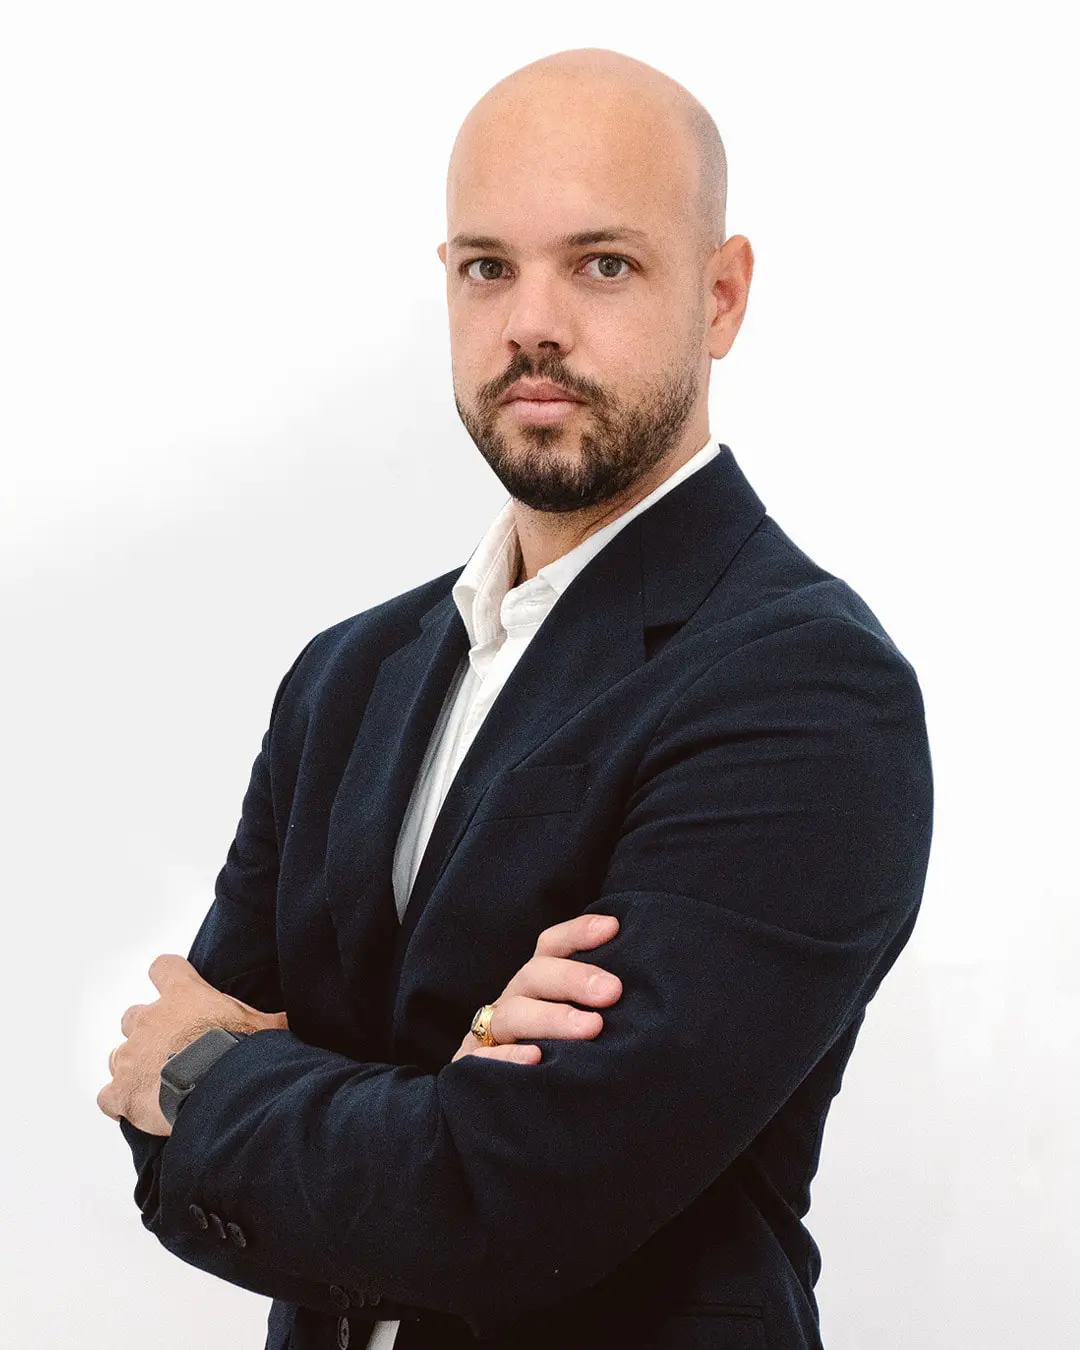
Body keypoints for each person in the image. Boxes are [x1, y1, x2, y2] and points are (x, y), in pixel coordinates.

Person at [97, 46, 934, 1350]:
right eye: (489, 266)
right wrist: (433, 1097)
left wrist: (219, 1075)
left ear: (721, 296)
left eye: (602, 264)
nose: (531, 321)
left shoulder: (807, 690)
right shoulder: (346, 677)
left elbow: (512, 1203)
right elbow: (163, 1152)